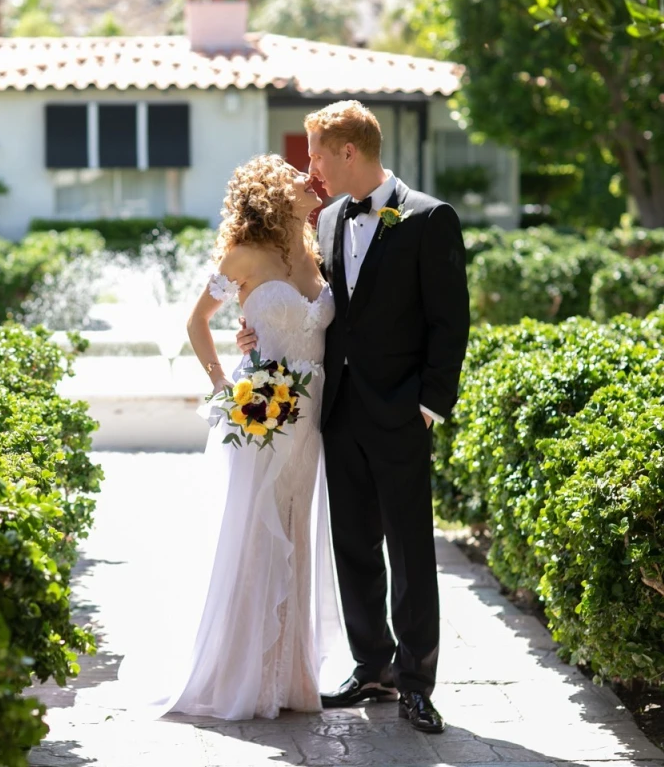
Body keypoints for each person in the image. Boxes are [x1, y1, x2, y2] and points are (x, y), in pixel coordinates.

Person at [236, 101, 470, 733]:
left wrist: (427, 408)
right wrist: (254, 324)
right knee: (354, 547)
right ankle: (373, 666)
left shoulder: (430, 218)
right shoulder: (332, 218)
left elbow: (451, 324)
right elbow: (322, 305)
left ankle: (418, 682)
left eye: (315, 153)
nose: (309, 166)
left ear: (347, 152)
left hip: (401, 416)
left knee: (412, 550)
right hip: (337, 415)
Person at [116, 153, 345, 721]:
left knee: (296, 529)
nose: (308, 177)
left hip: (311, 416)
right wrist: (224, 386)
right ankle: (240, 674)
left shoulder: (317, 248)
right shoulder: (243, 253)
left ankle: (288, 678)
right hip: (259, 414)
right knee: (254, 532)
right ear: (273, 191)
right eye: (296, 173)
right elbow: (197, 321)